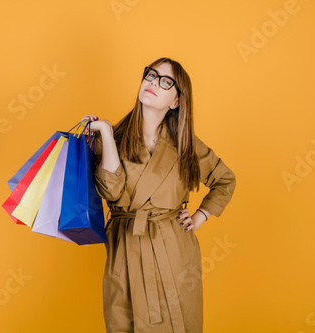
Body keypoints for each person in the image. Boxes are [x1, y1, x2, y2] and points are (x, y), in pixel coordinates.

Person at [81, 57, 236, 333]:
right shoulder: (114, 138)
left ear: (176, 101)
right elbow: (112, 190)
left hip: (174, 249)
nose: (153, 82)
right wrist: (103, 131)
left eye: (165, 81)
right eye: (150, 75)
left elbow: (225, 179)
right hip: (125, 248)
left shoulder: (185, 143)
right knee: (124, 321)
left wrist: (201, 215)